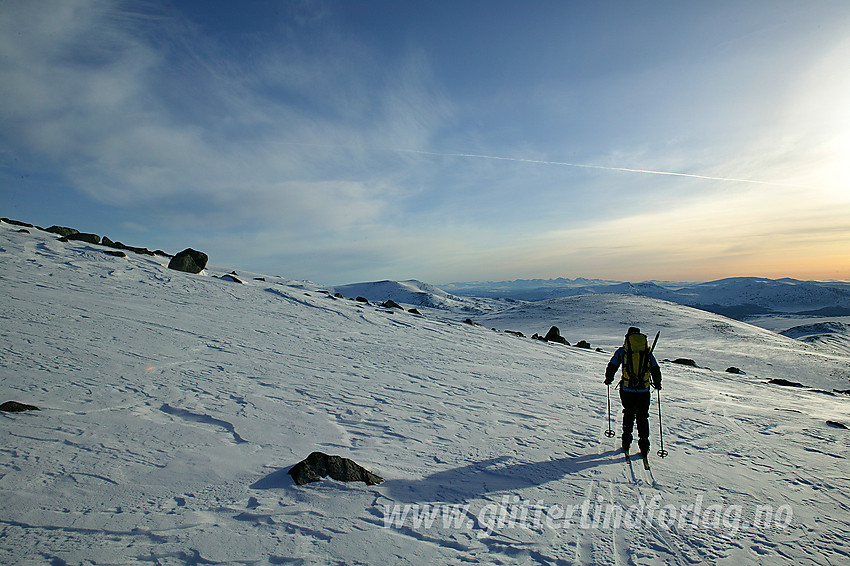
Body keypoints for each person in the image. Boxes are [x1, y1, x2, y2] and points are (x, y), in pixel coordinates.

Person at [604, 327, 662, 457]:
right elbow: (655, 368)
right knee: (642, 416)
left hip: (627, 389)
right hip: (643, 389)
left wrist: (608, 379)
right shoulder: (647, 352)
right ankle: (644, 445)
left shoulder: (623, 351)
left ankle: (626, 441)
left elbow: (612, 365)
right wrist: (657, 383)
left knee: (628, 413)